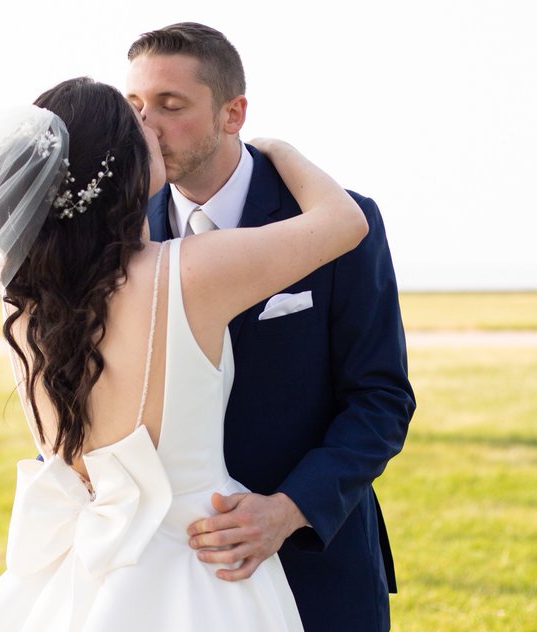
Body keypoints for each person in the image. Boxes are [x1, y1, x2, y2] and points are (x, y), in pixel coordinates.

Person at [0, 76, 366, 631]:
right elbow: (344, 222)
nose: (150, 126)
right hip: (199, 570)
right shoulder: (189, 271)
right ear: (120, 165)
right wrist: (280, 150)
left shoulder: (22, 296)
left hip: (68, 575)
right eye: (138, 124)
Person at [126, 23, 416, 631]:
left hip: (317, 568)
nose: (145, 127)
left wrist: (286, 511)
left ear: (233, 113)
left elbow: (381, 399)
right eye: (135, 107)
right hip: (171, 574)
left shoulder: (340, 222)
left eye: (170, 106)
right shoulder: (122, 236)